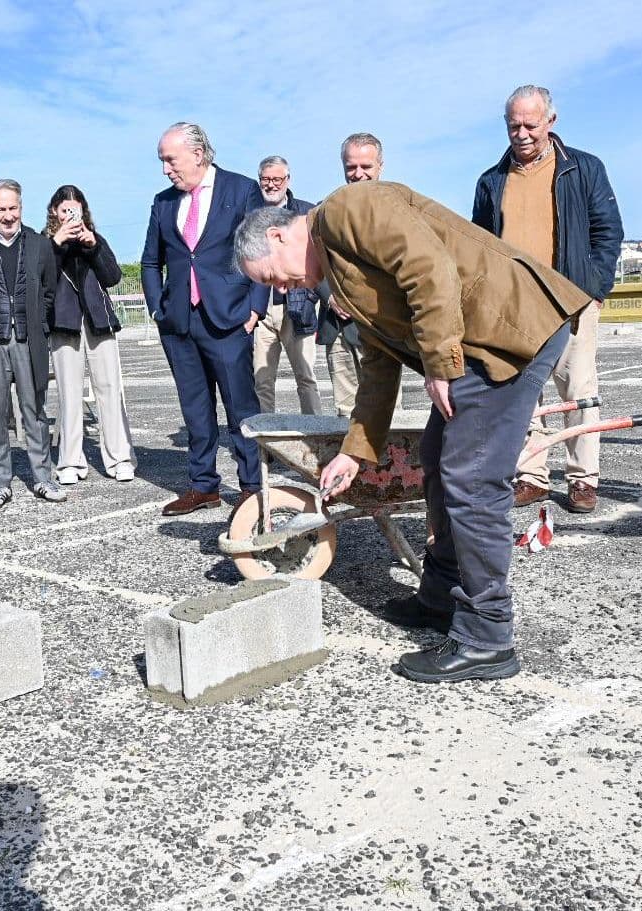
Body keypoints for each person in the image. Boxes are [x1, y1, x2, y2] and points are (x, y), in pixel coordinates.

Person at [233, 181, 590, 683]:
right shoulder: (338, 271)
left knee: (472, 480)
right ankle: (441, 597)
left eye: (276, 277)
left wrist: (441, 364)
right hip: (479, 345)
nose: (283, 290)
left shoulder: (347, 211)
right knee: (438, 459)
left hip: (510, 335)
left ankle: (488, 636)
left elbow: (429, 267)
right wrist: (357, 451)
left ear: (277, 238)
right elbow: (380, 364)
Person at [475, 85, 624, 515]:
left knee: (578, 390)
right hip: (515, 307)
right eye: (513, 125)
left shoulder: (584, 169)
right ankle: (532, 477)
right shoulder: (491, 180)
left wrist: (594, 290)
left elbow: (607, 232)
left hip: (571, 300)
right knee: (523, 395)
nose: (521, 133)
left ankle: (582, 480)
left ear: (551, 122)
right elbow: (479, 243)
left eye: (530, 124)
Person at [140, 123, 265, 515]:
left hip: (229, 318)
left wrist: (255, 309)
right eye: (162, 161)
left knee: (240, 407)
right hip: (179, 322)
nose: (165, 169)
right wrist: (158, 308)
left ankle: (251, 488)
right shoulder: (163, 202)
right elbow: (149, 261)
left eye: (169, 159)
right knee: (195, 408)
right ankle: (203, 485)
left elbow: (258, 250)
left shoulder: (241, 189)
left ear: (197, 153)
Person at [0, 179, 64, 509]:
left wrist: (41, 325)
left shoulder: (39, 244)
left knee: (34, 410)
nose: (8, 216)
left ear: (21, 206)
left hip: (28, 339)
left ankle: (43, 478)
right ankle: (0, 483)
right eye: (1, 209)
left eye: (13, 208)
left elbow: (49, 292)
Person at [45, 185, 136, 484]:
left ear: (84, 211)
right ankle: (70, 461)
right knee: (69, 393)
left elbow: (113, 277)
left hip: (99, 322)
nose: (71, 216)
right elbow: (40, 278)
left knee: (110, 390)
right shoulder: (44, 242)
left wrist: (92, 245)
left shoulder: (95, 239)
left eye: (76, 210)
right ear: (55, 213)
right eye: (65, 210)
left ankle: (120, 457)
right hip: (64, 324)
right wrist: (57, 245)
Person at [321, 133, 400, 418]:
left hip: (382, 329)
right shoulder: (324, 211)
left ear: (380, 165)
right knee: (345, 413)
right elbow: (313, 264)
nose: (358, 174)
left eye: (366, 167)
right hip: (339, 328)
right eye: (351, 167)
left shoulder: (400, 210)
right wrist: (330, 297)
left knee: (389, 413)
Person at [250, 156, 321, 415]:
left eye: (276, 179)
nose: (270, 185)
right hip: (261, 312)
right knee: (262, 382)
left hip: (297, 307)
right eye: (265, 179)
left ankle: (315, 440)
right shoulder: (249, 215)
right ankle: (264, 450)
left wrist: (311, 295)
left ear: (287, 180)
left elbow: (320, 259)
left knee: (306, 378)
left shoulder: (306, 213)